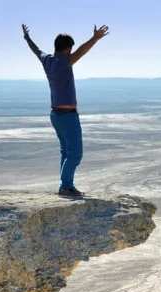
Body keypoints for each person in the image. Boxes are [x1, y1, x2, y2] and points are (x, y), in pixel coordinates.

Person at [22, 24, 110, 197]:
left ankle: (66, 185)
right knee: (75, 153)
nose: (72, 53)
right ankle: (66, 186)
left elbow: (35, 49)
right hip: (68, 116)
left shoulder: (47, 60)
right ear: (67, 49)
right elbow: (81, 52)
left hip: (55, 116)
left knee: (66, 152)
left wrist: (26, 37)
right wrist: (95, 38)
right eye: (70, 50)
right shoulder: (64, 62)